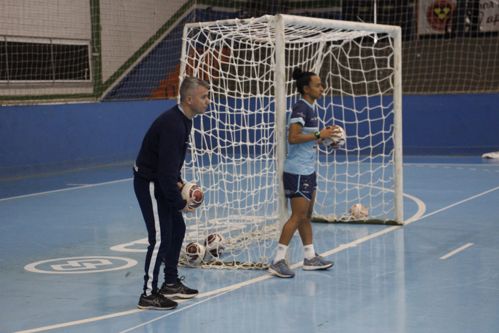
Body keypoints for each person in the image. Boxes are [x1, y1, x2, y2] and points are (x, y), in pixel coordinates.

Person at [133, 77, 210, 309]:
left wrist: (179, 183)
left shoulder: (185, 120)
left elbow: (170, 166)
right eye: (204, 97)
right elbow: (164, 172)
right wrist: (180, 203)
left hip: (161, 180)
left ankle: (171, 283)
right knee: (159, 239)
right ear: (189, 99)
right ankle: (148, 294)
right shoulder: (173, 125)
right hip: (149, 183)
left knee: (178, 229)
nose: (208, 101)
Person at [268, 67, 337, 278]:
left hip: (308, 168)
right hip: (297, 171)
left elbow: (309, 137)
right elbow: (294, 137)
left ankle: (310, 257)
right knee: (297, 216)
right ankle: (278, 260)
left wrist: (326, 137)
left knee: (306, 215)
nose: (321, 88)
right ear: (306, 89)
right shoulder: (301, 108)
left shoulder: (310, 108)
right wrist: (319, 133)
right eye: (317, 85)